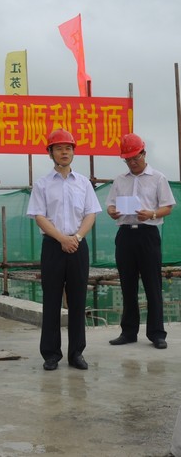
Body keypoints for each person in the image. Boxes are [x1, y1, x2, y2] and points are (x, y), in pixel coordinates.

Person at [26, 129, 101, 371]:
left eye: (68, 148)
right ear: (50, 153)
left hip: (78, 245)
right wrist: (61, 239)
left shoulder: (84, 183)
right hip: (53, 246)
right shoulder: (42, 184)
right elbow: (39, 216)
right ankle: (51, 354)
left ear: (73, 152)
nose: (64, 152)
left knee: (78, 301)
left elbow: (90, 214)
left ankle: (76, 353)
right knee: (51, 300)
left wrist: (76, 238)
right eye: (58, 148)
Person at [106, 133, 175, 349]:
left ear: (144, 153)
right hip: (125, 234)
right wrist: (112, 211)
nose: (132, 162)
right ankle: (128, 332)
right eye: (128, 159)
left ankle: (157, 333)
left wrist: (152, 214)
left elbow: (168, 206)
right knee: (127, 285)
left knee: (152, 285)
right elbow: (110, 204)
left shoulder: (158, 178)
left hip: (148, 234)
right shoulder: (120, 180)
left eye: (136, 158)